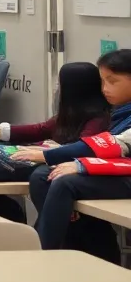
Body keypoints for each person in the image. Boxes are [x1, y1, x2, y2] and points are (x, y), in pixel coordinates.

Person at [0, 61, 110, 223]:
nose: (58, 89)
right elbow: (40, 129)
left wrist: (43, 153)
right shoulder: (73, 114)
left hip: (65, 170)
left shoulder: (99, 119)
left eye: (61, 84)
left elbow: (83, 147)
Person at [23, 49, 131, 261]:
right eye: (102, 81)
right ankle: (71, 243)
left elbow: (107, 145)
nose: (104, 89)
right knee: (42, 176)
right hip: (120, 170)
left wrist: (57, 158)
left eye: (112, 81)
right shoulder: (119, 111)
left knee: (64, 182)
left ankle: (43, 255)